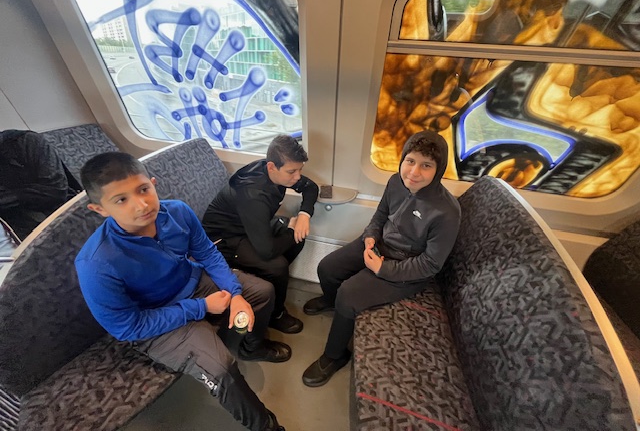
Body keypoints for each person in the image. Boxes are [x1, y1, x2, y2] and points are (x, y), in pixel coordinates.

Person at [75, 152, 288, 431]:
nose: (141, 205)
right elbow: (128, 328)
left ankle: (252, 347)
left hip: (193, 283)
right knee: (221, 368)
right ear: (99, 209)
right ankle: (266, 426)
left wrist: (235, 294)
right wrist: (201, 308)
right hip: (156, 320)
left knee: (263, 292)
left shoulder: (177, 211)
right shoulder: (96, 263)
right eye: (121, 200)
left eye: (143, 190)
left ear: (153, 183)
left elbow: (207, 253)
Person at [301, 130, 461, 387]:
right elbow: (380, 215)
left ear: (438, 170)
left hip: (407, 267)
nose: (414, 172)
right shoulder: (395, 182)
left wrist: (383, 268)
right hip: (379, 244)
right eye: (410, 161)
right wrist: (370, 237)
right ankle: (332, 302)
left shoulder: (447, 212)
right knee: (327, 268)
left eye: (426, 165)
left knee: (348, 294)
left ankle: (335, 356)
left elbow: (430, 264)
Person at [202, 135, 319, 334]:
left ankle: (267, 278)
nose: (298, 177)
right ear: (272, 166)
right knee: (277, 265)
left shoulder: (275, 173)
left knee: (298, 238)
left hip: (249, 226)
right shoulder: (253, 194)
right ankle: (276, 314)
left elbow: (311, 187)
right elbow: (267, 251)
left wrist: (304, 215)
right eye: (292, 171)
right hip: (224, 239)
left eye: (300, 170)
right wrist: (291, 230)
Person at [0, 129, 80, 240]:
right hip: (22, 231)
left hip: (66, 214)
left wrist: (13, 197)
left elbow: (56, 191)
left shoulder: (26, 141)